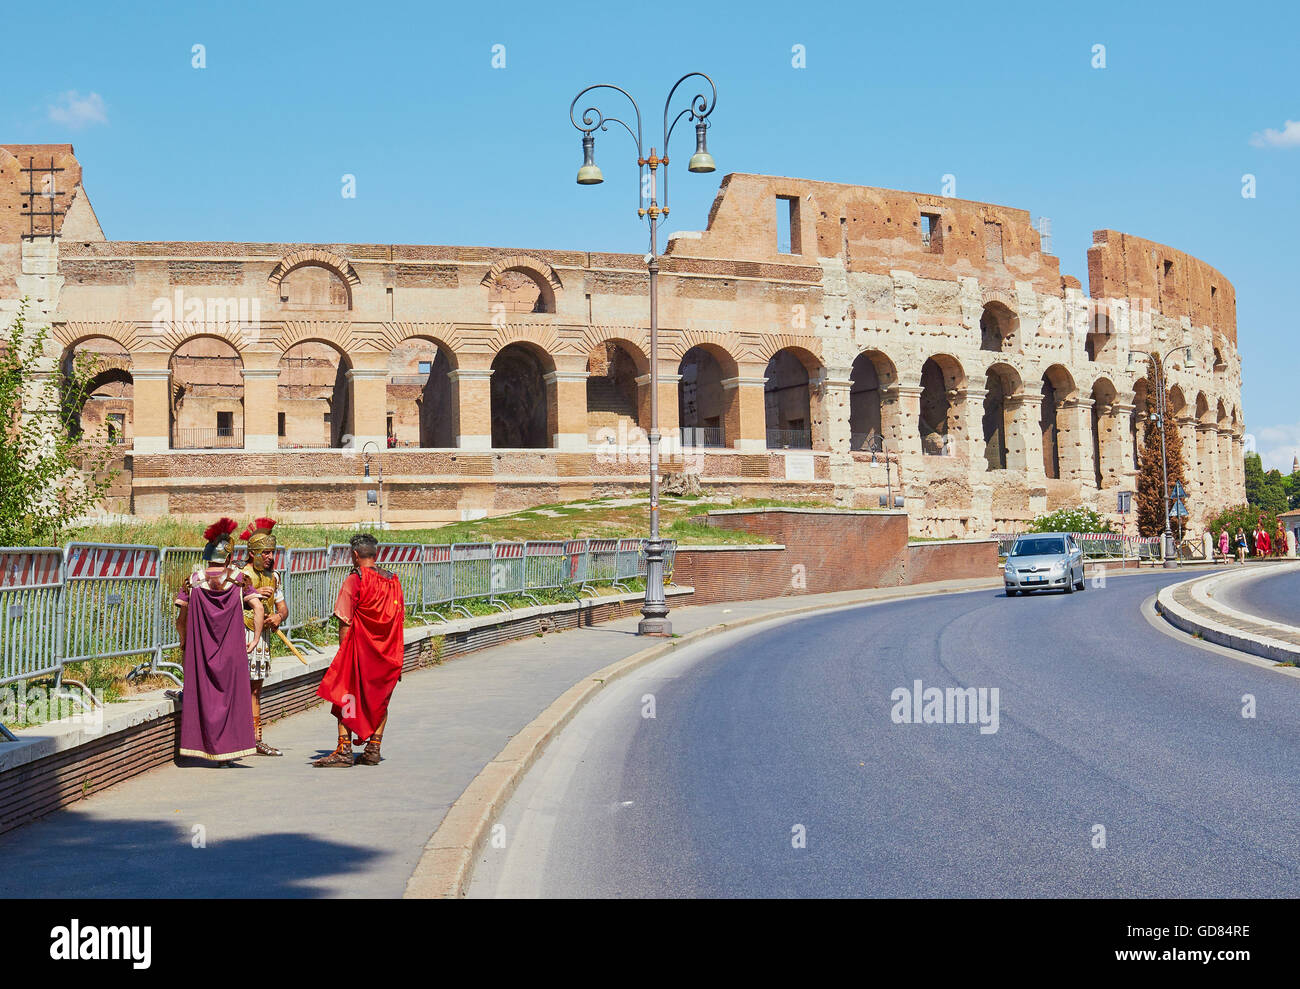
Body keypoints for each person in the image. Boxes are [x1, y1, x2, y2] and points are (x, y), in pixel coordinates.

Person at [314, 533, 405, 767]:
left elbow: (344, 619)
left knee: (347, 697)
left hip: (360, 652)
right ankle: (373, 749)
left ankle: (344, 749)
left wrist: (343, 654)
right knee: (380, 700)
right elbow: (398, 619)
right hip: (388, 654)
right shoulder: (393, 580)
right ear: (376, 554)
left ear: (354, 555)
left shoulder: (355, 578)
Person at [175, 518, 261, 763]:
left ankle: (207, 749)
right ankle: (229, 749)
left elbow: (181, 618)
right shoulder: (239, 579)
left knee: (204, 698)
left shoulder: (193, 581)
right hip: (233, 650)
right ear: (228, 556)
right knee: (231, 699)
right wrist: (254, 638)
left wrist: (184, 641)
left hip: (200, 651)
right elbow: (257, 607)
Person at [240, 517, 287, 756]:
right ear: (253, 553)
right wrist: (253, 594)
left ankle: (256, 738)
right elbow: (229, 603)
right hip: (243, 635)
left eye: (272, 552)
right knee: (243, 687)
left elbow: (283, 608)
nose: (270, 556)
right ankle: (243, 737)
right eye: (265, 552)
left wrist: (278, 617)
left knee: (256, 688)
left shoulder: (274, 576)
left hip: (263, 638)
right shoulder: (240, 576)